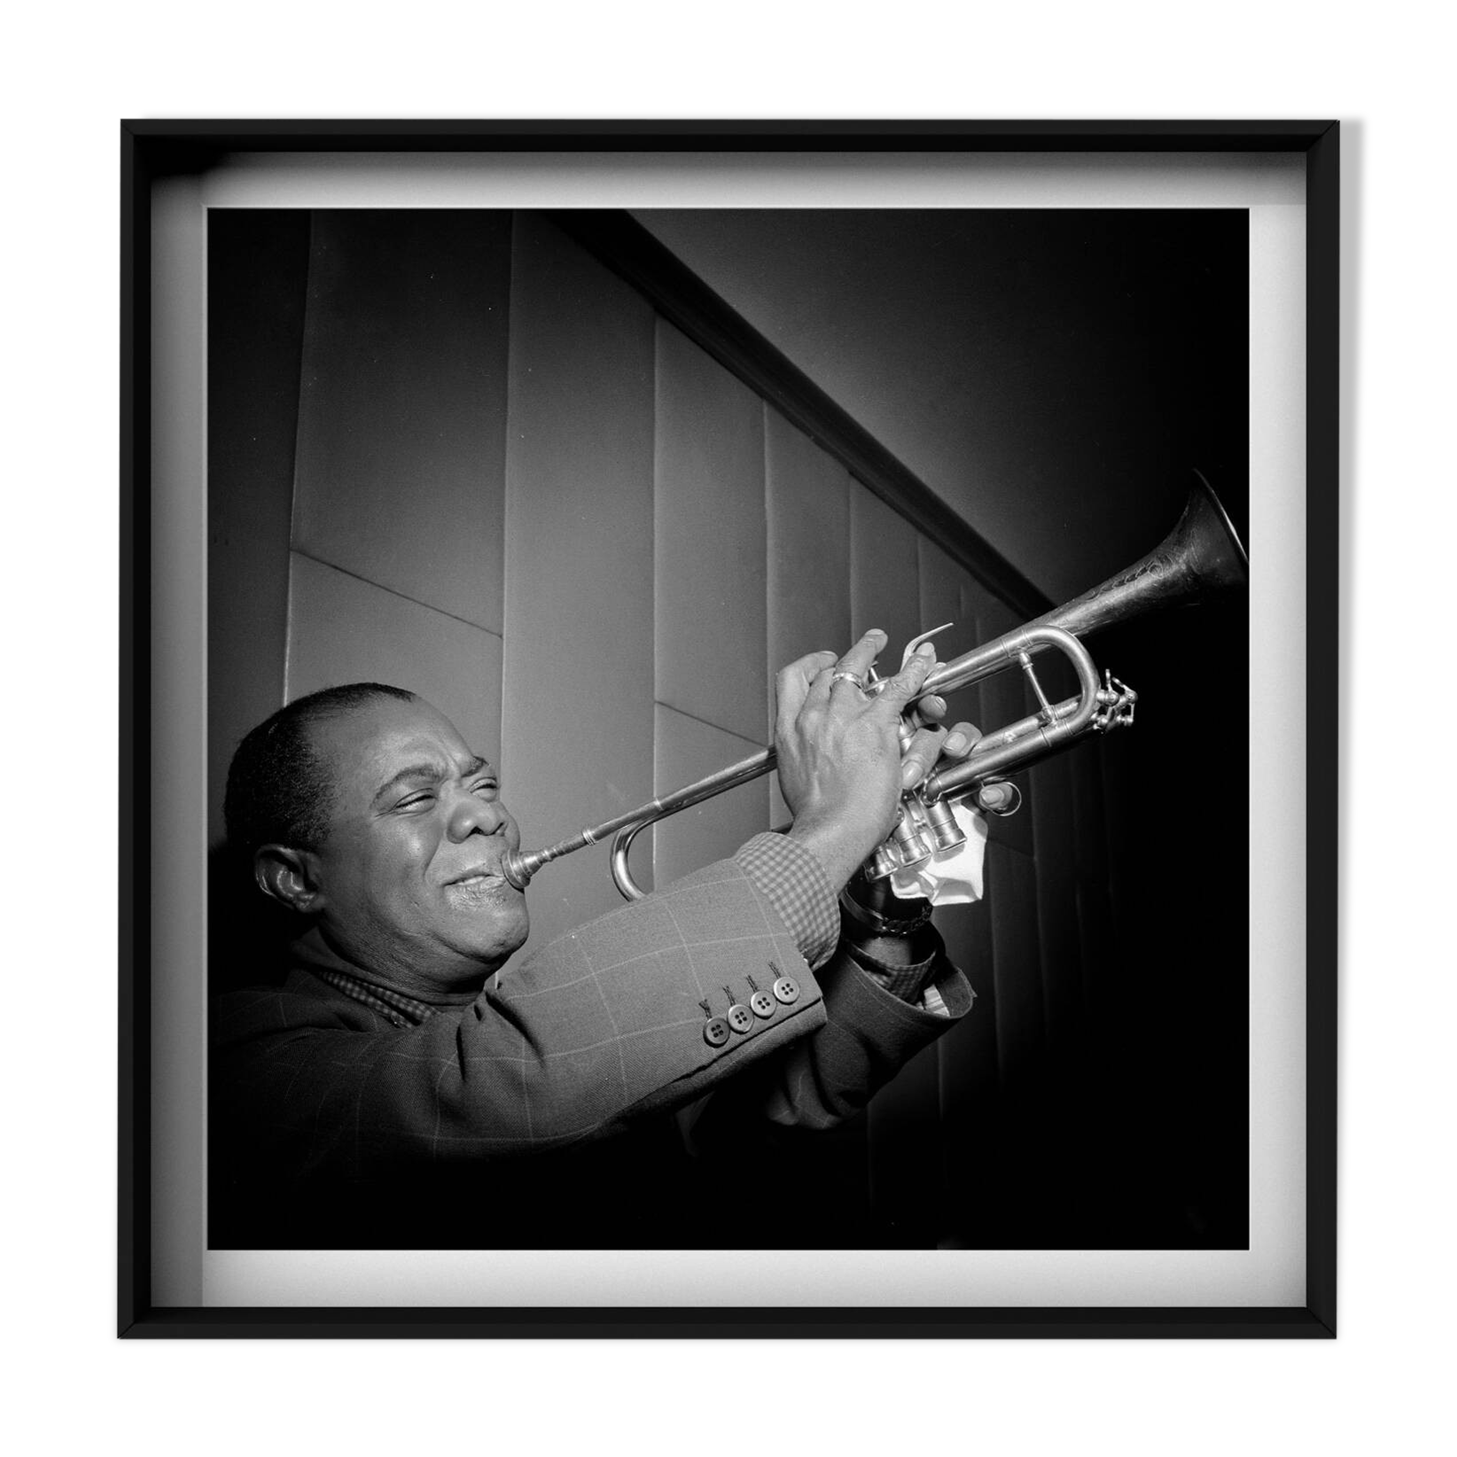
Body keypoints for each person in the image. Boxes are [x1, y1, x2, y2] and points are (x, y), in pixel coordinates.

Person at [210, 630, 983, 1248]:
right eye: (415, 798)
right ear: (293, 878)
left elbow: (760, 1126)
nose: (486, 816)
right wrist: (835, 824)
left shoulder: (570, 1034)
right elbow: (495, 1085)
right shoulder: (243, 1077)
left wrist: (882, 901)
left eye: (483, 785)